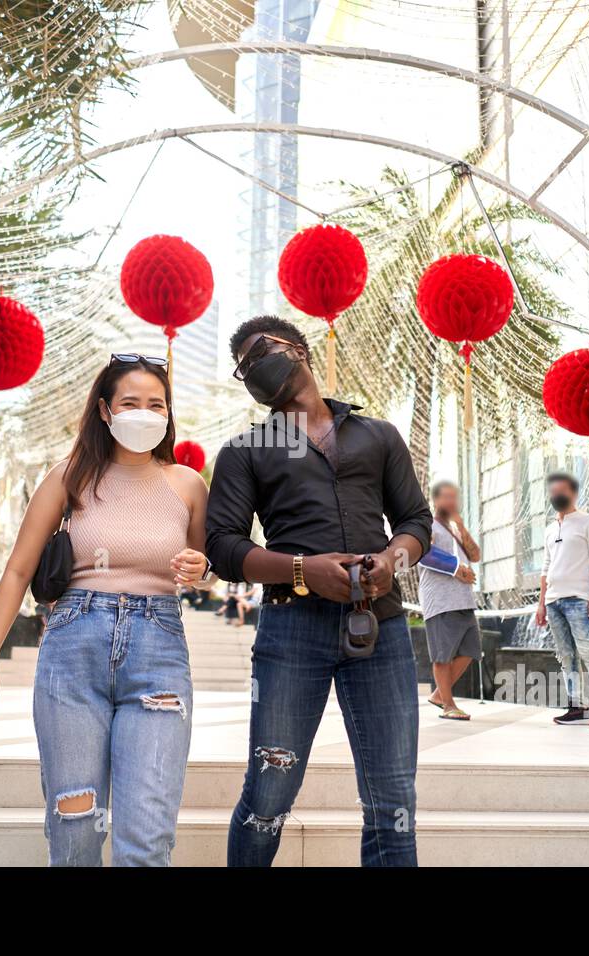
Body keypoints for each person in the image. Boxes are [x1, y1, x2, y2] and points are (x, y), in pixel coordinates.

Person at [0, 354, 211, 865]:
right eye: (130, 403)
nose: (144, 413)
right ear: (105, 410)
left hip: (158, 648)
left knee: (146, 836)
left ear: (168, 414)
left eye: (156, 404)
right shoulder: (69, 477)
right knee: (74, 828)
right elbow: (16, 571)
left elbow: (204, 564)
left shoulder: (187, 485)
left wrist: (199, 566)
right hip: (73, 648)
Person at [207, 315, 432, 868]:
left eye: (262, 351)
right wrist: (304, 570)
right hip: (291, 631)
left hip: (380, 626)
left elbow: (416, 522)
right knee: (268, 797)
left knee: (393, 800)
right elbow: (224, 548)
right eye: (244, 366)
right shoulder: (245, 450)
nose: (255, 366)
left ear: (299, 348)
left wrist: (389, 560)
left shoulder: (378, 434)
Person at [534, 471, 589, 729]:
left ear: (573, 493)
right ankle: (578, 706)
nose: (557, 496)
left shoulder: (588, 522)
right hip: (553, 602)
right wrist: (541, 603)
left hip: (579, 599)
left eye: (562, 491)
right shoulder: (550, 528)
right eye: (553, 492)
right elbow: (545, 567)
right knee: (566, 656)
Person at [416, 480, 482, 721]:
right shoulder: (427, 525)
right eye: (446, 497)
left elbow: (475, 555)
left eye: (454, 497)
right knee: (442, 654)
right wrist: (456, 568)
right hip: (440, 600)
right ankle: (448, 705)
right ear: (435, 500)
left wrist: (462, 528)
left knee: (471, 650)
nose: (451, 502)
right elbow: (422, 554)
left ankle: (438, 694)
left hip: (464, 600)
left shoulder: (455, 530)